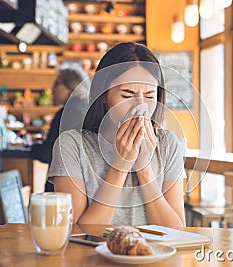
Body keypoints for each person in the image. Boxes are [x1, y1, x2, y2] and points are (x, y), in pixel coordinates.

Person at [48, 42, 186, 227]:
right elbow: (77, 233)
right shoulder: (72, 145)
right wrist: (120, 166)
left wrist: (144, 169)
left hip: (155, 255)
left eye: (150, 95)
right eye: (127, 95)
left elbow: (176, 231)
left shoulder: (168, 145)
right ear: (103, 95)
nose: (140, 106)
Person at [30, 66, 90, 192]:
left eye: (57, 84)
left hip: (62, 186)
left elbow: (49, 154)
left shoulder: (66, 113)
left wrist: (33, 148)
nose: (52, 90)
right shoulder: (87, 108)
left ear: (70, 87)